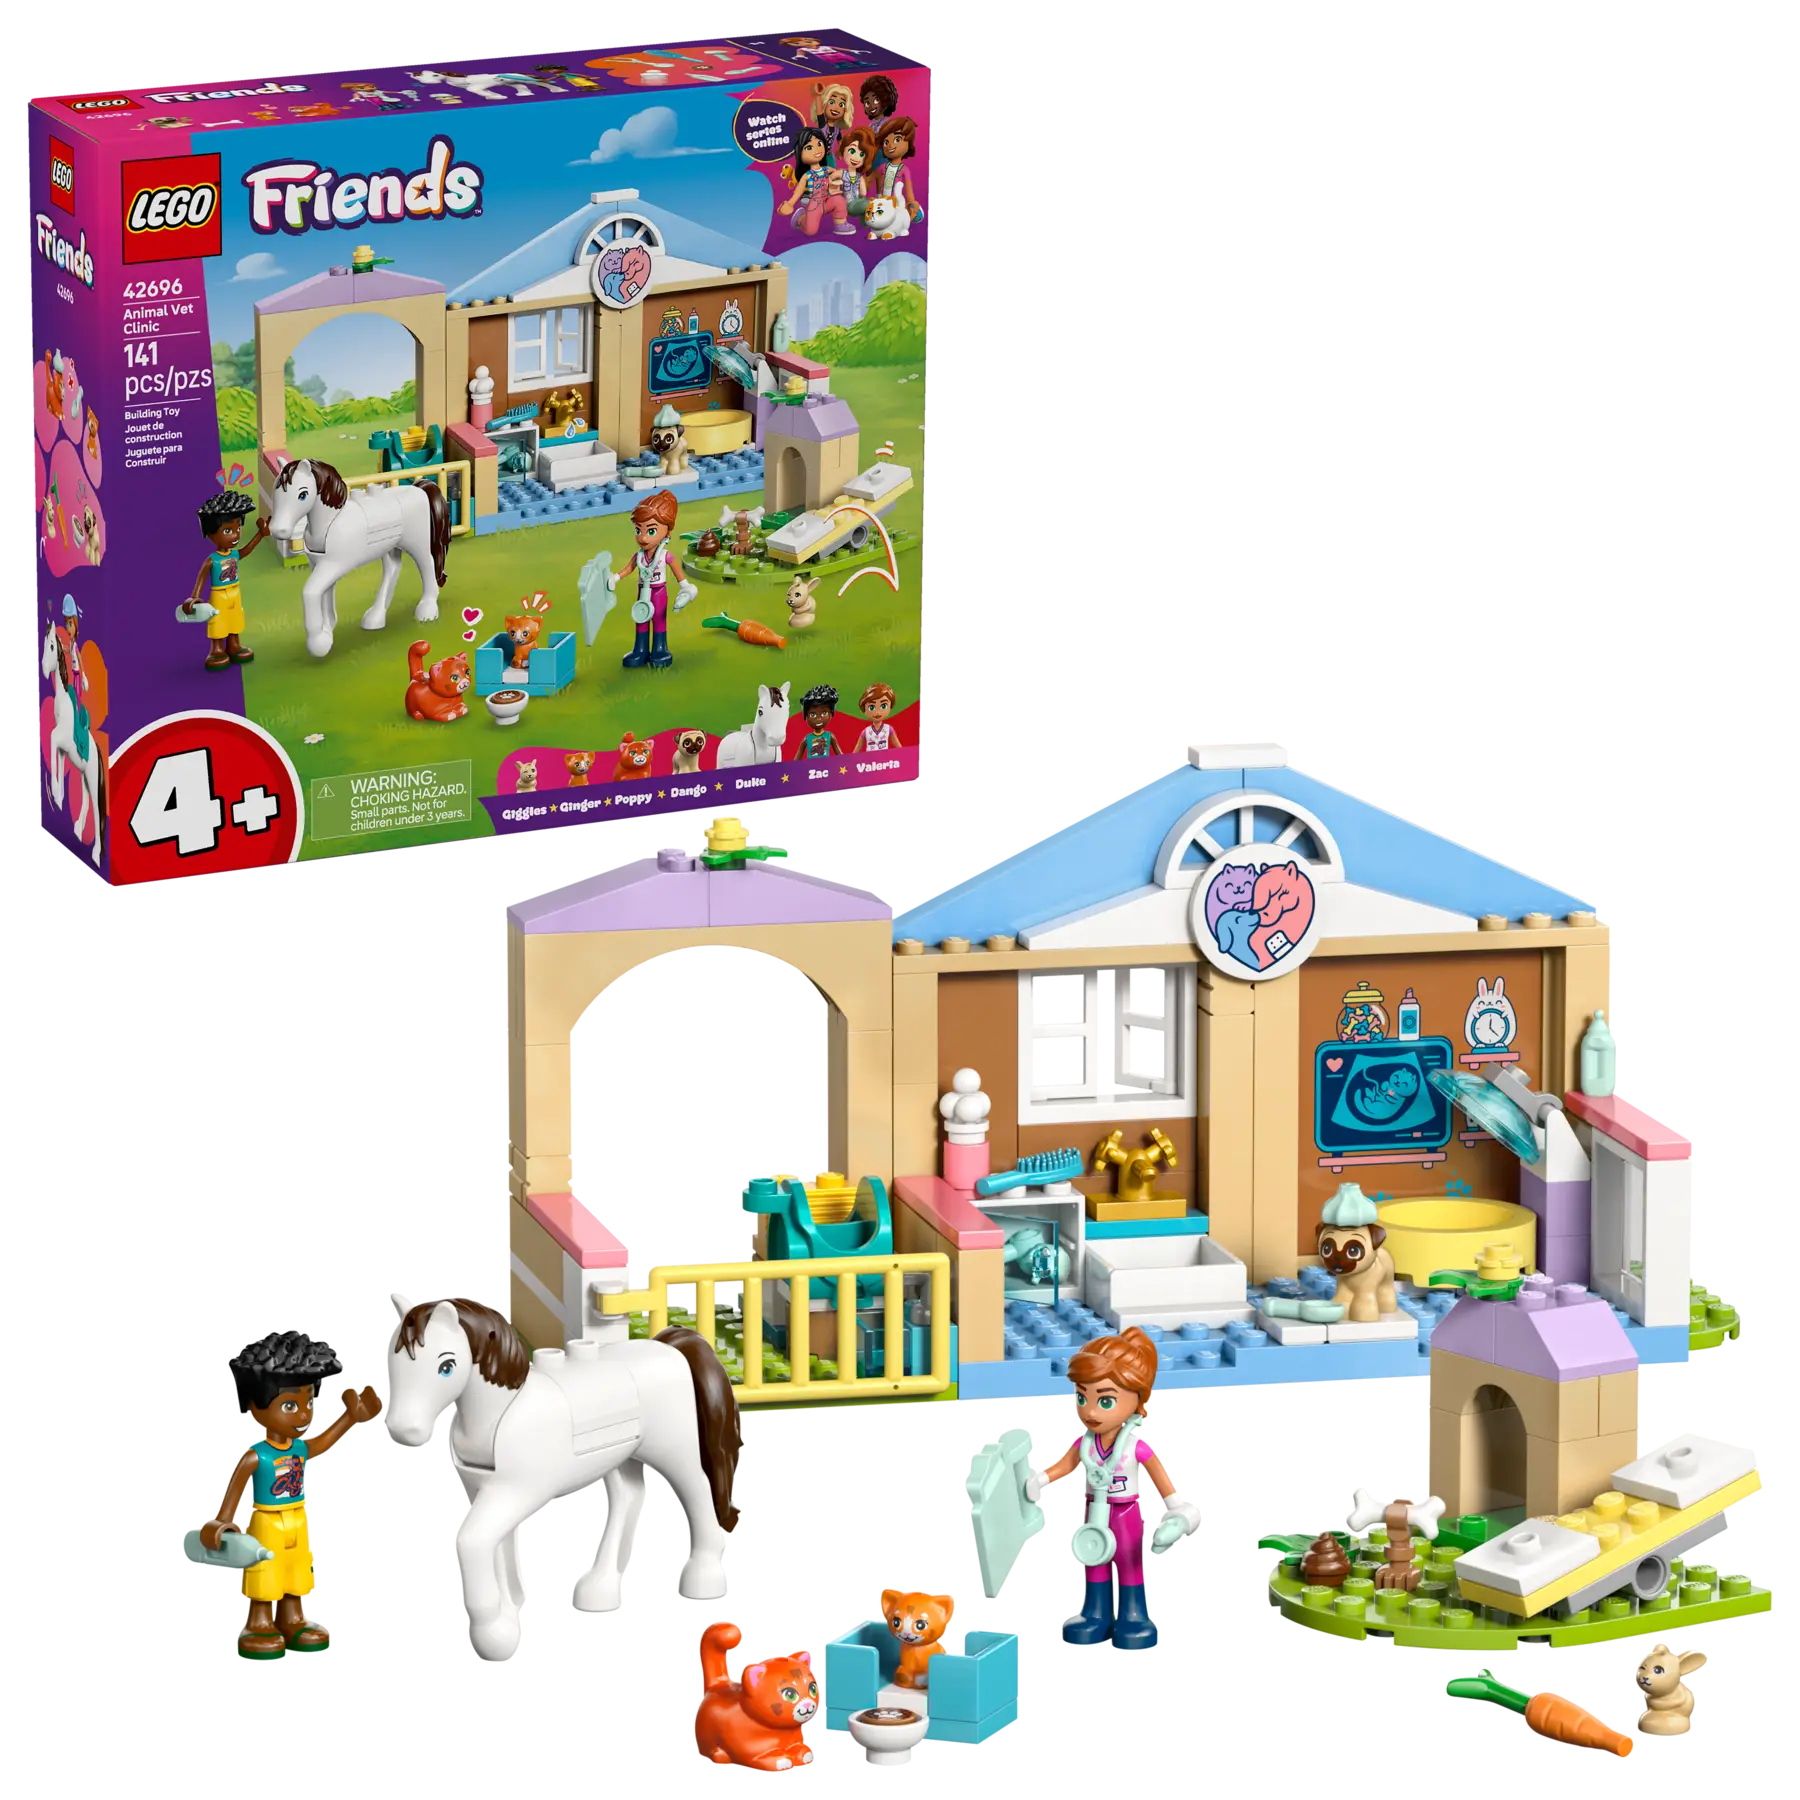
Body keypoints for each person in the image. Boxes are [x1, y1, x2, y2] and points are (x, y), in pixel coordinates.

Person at [197, 1329, 382, 1660]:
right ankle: (259, 1622)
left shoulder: (299, 1448)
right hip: (266, 1522)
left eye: (309, 1402)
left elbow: (322, 1443)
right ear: (255, 1407)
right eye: (290, 1405)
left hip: (297, 1517)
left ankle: (293, 1619)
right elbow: (235, 1492)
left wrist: (351, 1418)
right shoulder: (256, 1456)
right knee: (264, 1569)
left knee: (297, 1569)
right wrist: (222, 1521)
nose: (304, 1415)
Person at [1025, 1328, 1203, 1652]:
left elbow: (1163, 1482)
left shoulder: (1136, 1447)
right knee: (1093, 1560)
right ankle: (1095, 1614)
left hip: (1125, 1514)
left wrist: (1178, 1511)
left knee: (1129, 1561)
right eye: (1082, 1397)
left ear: (1137, 1398)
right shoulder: (1085, 1444)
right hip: (1093, 1511)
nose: (1090, 1411)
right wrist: (1040, 1479)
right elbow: (1064, 1466)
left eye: (1105, 1400)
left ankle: (1134, 1616)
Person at [608, 489, 695, 669]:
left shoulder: (665, 556)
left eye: (651, 530)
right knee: (640, 618)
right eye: (638, 530)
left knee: (659, 619)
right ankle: (640, 650)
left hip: (658, 592)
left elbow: (678, 574)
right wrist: (615, 578)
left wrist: (685, 587)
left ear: (667, 531)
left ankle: (660, 649)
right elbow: (629, 568)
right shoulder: (639, 556)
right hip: (642, 591)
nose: (643, 537)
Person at [185, 491, 270, 669]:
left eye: (238, 528)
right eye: (227, 531)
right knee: (217, 620)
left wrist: (260, 535)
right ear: (210, 534)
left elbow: (247, 550)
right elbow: (202, 577)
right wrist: (194, 597)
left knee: (235, 618)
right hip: (219, 595)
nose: (236, 535)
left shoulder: (234, 555)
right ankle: (216, 649)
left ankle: (234, 645)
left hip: (234, 592)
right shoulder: (212, 560)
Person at [779, 128, 852, 236]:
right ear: (800, 153)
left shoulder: (826, 169)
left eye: (819, 144)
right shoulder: (807, 176)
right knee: (811, 231)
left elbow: (839, 173)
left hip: (827, 201)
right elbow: (798, 191)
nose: (816, 150)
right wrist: (790, 203)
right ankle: (801, 218)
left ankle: (840, 224)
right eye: (809, 147)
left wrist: (846, 177)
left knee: (840, 201)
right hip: (814, 205)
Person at [875, 115, 925, 226]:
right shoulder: (883, 167)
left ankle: (911, 212)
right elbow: (874, 180)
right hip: (883, 202)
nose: (890, 145)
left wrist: (911, 201)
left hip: (897, 203)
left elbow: (908, 189)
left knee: (897, 218)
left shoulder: (904, 170)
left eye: (897, 139)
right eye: (886, 142)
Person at [796, 685, 842, 758]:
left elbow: (840, 755)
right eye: (812, 714)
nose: (818, 719)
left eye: (824, 713)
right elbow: (797, 758)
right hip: (811, 765)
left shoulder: (829, 736)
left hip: (826, 765)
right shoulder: (807, 739)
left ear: (831, 714)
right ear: (806, 716)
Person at [853, 680, 901, 750]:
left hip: (885, 757)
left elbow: (899, 748)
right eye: (871, 707)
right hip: (870, 757)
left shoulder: (888, 729)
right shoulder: (866, 732)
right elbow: (855, 752)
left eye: (883, 706)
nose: (877, 712)